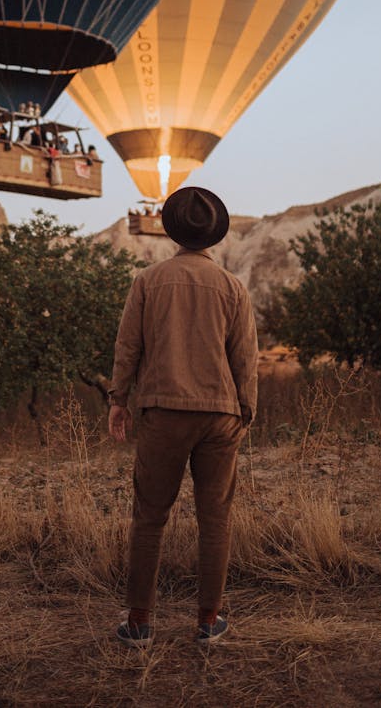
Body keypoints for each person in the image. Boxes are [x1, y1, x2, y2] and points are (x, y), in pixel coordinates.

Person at [108, 187, 258, 648]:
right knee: (215, 518)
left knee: (150, 517)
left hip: (164, 411)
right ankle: (208, 621)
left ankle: (139, 623)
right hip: (220, 414)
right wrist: (245, 411)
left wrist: (119, 398)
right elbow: (245, 359)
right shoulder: (233, 287)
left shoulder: (149, 280)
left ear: (172, 230)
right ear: (213, 235)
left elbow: (128, 345)